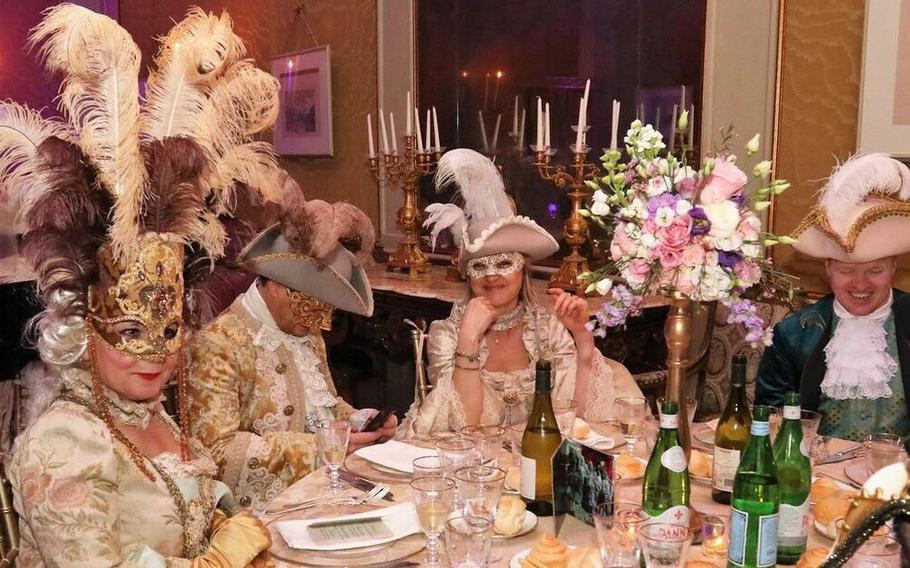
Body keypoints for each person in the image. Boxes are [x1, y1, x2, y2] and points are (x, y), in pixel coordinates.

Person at [4, 6, 279, 566]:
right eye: (130, 328)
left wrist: (227, 520)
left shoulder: (147, 414)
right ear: (84, 325)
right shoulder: (63, 445)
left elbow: (185, 513)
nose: (154, 351)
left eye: (170, 327)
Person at [186, 173, 396, 512]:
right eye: (312, 307)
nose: (319, 324)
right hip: (262, 512)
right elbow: (214, 453)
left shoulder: (306, 332)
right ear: (279, 286)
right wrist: (317, 449)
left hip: (325, 491)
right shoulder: (218, 344)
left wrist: (358, 421)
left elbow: (322, 407)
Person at [399, 149, 642, 437]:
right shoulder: (446, 335)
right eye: (480, 266)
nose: (492, 275)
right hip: (475, 469)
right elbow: (463, 426)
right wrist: (468, 339)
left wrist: (583, 339)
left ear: (523, 268)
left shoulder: (546, 328)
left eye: (504, 263)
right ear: (467, 274)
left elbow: (579, 417)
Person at [756, 153, 910, 441]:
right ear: (828, 269)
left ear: (893, 266)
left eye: (874, 270)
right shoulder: (792, 335)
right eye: (846, 271)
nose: (860, 284)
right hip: (819, 479)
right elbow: (769, 422)